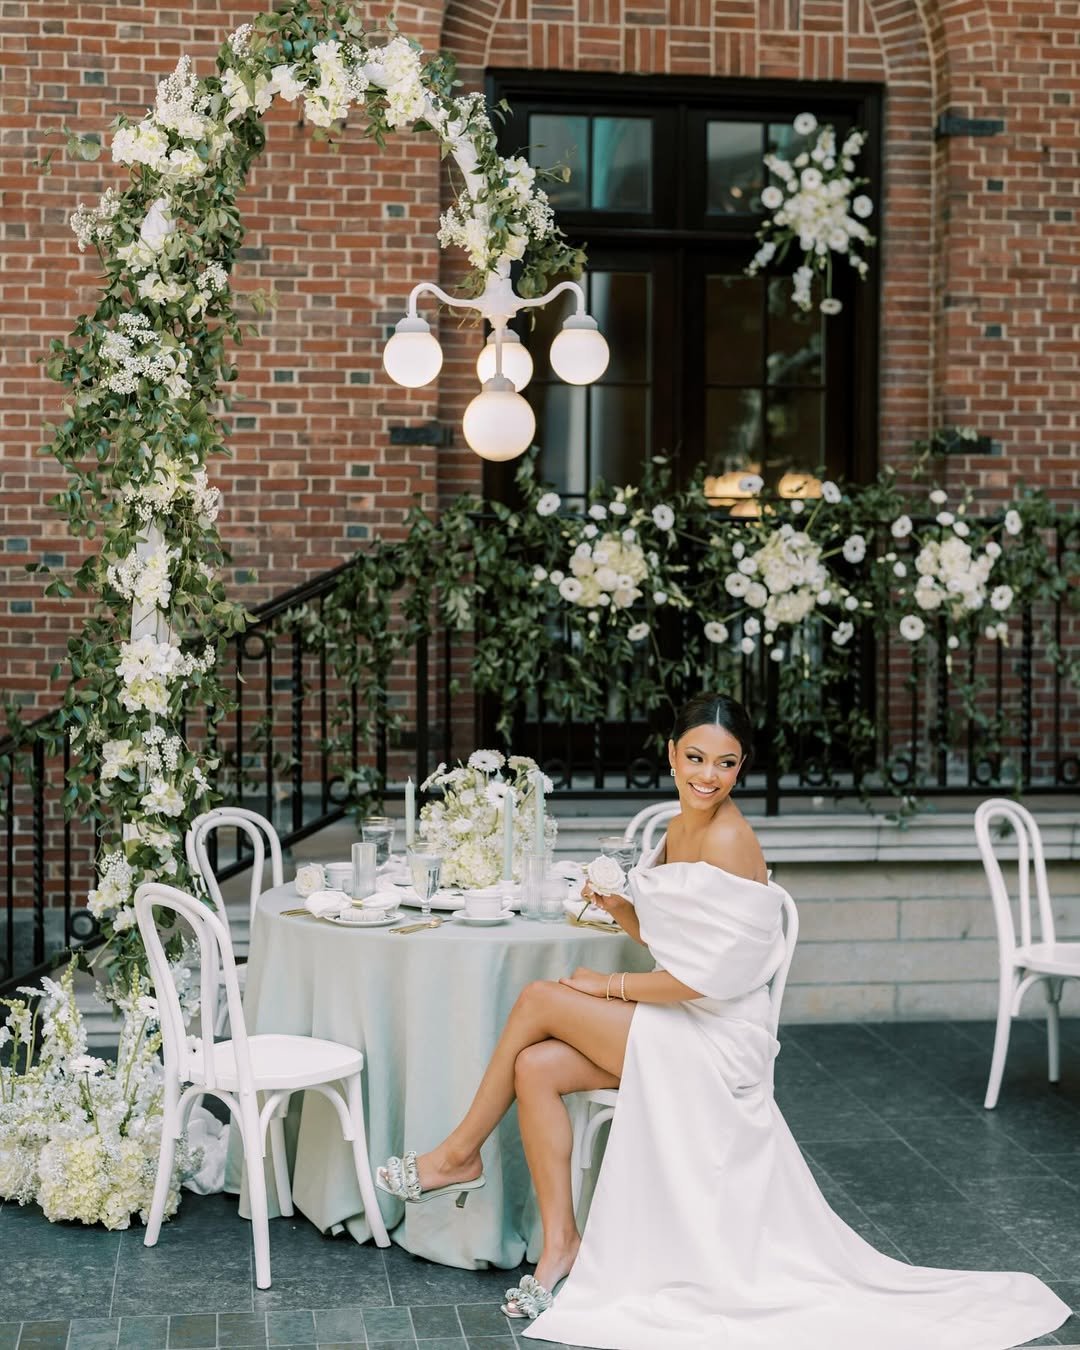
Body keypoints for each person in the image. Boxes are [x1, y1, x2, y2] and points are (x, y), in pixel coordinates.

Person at [378, 692, 1070, 1349]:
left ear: (742, 767)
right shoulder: (679, 826)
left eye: (727, 762)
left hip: (717, 1036)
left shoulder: (733, 841)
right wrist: (619, 908)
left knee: (538, 1000)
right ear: (672, 753)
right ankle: (564, 1243)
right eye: (697, 758)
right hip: (680, 1021)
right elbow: (678, 942)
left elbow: (713, 978)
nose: (709, 775)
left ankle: (456, 1155)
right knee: (535, 1066)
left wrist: (606, 983)